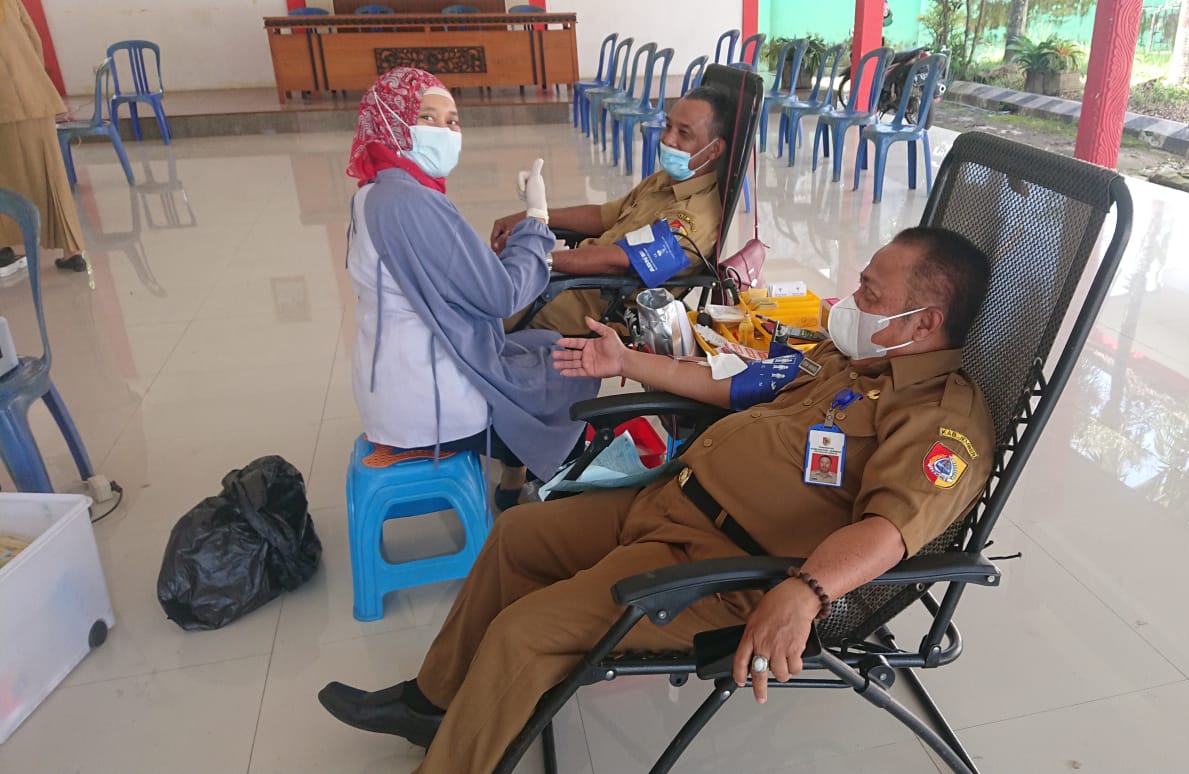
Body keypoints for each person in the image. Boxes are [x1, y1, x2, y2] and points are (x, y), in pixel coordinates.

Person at [319, 227, 996, 774]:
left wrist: (807, 592)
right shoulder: (853, 357)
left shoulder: (943, 421)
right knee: (517, 536)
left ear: (923, 321)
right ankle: (434, 703)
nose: (850, 298)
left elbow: (891, 530)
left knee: (524, 636)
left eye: (869, 291)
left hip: (722, 566)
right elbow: (739, 384)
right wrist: (627, 363)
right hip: (669, 505)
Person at [345, 67, 599, 500]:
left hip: (391, 383)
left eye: (452, 121)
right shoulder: (411, 202)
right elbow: (502, 296)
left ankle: (517, 479)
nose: (445, 131)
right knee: (569, 368)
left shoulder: (373, 193)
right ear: (391, 120)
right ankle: (569, 499)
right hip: (434, 400)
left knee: (539, 345)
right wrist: (537, 219)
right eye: (428, 117)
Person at [490, 86, 733, 336]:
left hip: (596, 304)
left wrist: (541, 260)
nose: (668, 139)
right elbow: (604, 215)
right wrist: (532, 217)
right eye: (668, 126)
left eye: (684, 133)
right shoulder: (665, 181)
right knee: (479, 281)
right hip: (572, 280)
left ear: (714, 149)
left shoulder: (694, 219)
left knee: (484, 305)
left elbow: (618, 261)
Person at [0, 0, 86, 273]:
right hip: (34, 98)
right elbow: (33, 39)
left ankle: (2, 247)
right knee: (50, 176)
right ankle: (72, 252)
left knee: (4, 179)